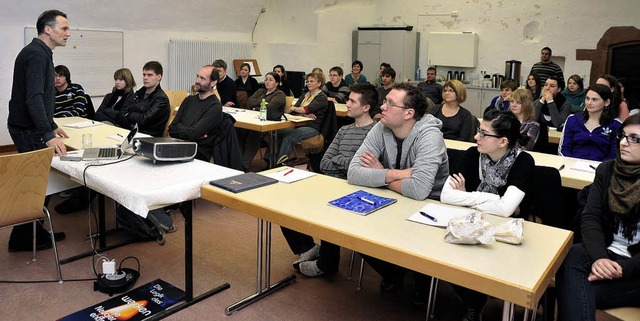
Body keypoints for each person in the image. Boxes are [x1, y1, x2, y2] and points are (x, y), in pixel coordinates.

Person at [348, 83, 449, 303]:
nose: (382, 107)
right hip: (396, 198)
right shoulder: (381, 127)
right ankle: (393, 272)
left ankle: (423, 284)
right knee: (352, 228)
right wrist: (397, 173)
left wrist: (380, 176)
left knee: (415, 235)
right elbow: (354, 172)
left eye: (390, 104)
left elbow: (420, 190)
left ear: (408, 113)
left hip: (431, 207)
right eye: (385, 101)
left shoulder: (430, 136)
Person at [440, 110, 535, 321]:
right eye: (478, 131)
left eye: (483, 134)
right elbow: (446, 196)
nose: (476, 137)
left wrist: (466, 196)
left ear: (502, 141)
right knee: (445, 255)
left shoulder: (524, 161)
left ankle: (476, 300)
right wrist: (491, 200)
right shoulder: (473, 154)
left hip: (504, 234)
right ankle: (473, 301)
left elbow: (505, 211)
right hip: (470, 226)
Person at [281, 84, 378, 277]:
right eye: (348, 100)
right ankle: (308, 247)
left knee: (331, 209)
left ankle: (326, 264)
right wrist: (349, 163)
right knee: (285, 202)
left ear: (366, 107)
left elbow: (364, 169)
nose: (347, 104)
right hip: (331, 181)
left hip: (355, 187)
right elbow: (325, 162)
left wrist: (343, 162)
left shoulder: (376, 132)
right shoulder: (344, 131)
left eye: (352, 101)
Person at [556, 114, 640, 321]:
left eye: (634, 139)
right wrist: (600, 257)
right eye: (623, 136)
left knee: (575, 293)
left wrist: (621, 269)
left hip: (636, 267)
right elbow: (590, 217)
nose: (623, 143)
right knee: (570, 255)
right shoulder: (607, 169)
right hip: (607, 253)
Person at [7, 9, 70, 252]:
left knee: (37, 183)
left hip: (28, 127)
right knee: (36, 185)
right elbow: (33, 98)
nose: (68, 33)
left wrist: (52, 125)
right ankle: (23, 238)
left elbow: (39, 97)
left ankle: (31, 232)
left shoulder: (40, 53)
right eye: (64, 28)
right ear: (48, 29)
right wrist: (47, 135)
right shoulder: (36, 55)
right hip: (29, 130)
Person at [168, 65, 223, 162]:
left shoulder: (215, 107)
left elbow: (192, 134)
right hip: (178, 146)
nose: (197, 81)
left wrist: (180, 127)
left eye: (202, 78)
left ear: (213, 82)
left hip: (196, 155)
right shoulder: (189, 100)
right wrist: (189, 131)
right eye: (197, 76)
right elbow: (171, 128)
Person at [272, 71, 328, 165]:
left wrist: (298, 110)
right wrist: (302, 113)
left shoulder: (321, 97)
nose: (308, 83)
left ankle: (279, 164)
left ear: (319, 83)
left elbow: (306, 109)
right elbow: (296, 110)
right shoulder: (305, 95)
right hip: (298, 123)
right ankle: (269, 160)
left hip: (312, 127)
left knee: (289, 137)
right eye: (307, 81)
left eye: (311, 81)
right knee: (277, 132)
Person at [237, 71, 286, 170]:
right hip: (255, 119)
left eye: (270, 80)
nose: (267, 82)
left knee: (254, 134)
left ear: (276, 83)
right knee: (239, 130)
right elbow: (249, 101)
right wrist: (263, 103)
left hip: (271, 124)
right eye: (266, 79)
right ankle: (237, 161)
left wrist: (256, 107)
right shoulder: (261, 91)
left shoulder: (280, 95)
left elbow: (271, 107)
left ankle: (244, 165)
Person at [560, 84, 622, 161]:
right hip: (572, 165)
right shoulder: (572, 119)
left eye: (594, 100)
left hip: (601, 168)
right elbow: (564, 149)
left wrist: (601, 168)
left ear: (606, 102)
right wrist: (571, 163)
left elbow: (614, 155)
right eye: (587, 98)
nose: (589, 103)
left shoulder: (615, 124)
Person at [115, 61, 169, 137]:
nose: (145, 78)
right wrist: (132, 116)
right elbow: (122, 113)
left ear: (159, 77)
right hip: (130, 132)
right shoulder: (138, 93)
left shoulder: (161, 99)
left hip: (148, 137)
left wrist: (129, 114)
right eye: (144, 75)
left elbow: (144, 119)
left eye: (150, 75)